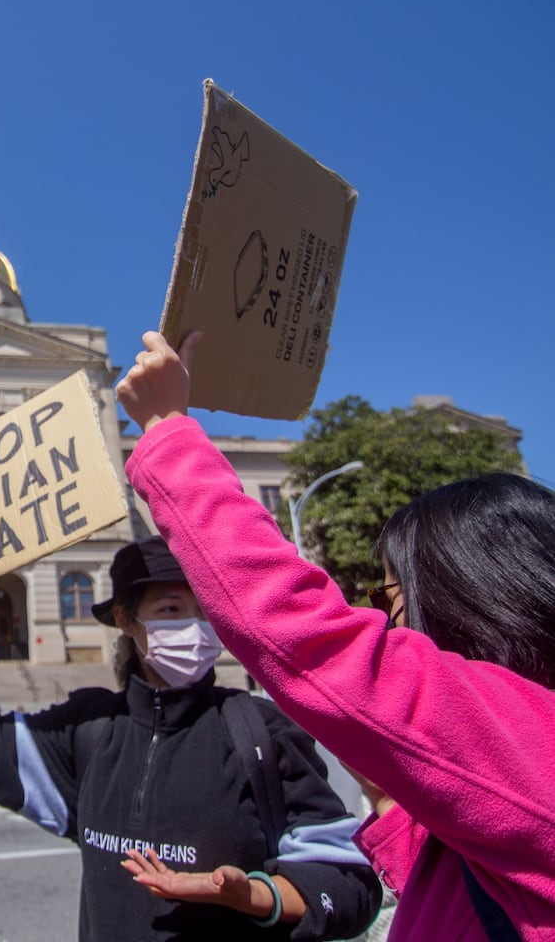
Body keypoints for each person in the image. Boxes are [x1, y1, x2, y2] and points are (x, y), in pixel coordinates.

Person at [114, 330, 555, 940]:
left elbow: (302, 632)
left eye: (389, 597)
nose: (383, 622)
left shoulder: (527, 737)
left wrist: (166, 432)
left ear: (470, 596)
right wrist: (402, 810)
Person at [0, 538, 382, 941]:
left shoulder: (263, 730)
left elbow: (349, 883)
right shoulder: (88, 729)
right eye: (171, 609)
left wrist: (254, 895)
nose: (193, 627)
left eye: (204, 611)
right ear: (128, 621)